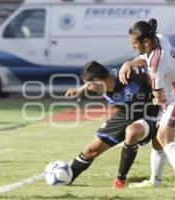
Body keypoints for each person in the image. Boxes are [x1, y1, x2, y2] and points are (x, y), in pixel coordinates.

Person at [119, 19, 175, 190]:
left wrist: (153, 102)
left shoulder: (158, 62)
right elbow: (143, 58)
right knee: (156, 140)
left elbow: (158, 94)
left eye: (134, 43)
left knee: (164, 136)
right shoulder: (158, 38)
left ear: (145, 41)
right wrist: (129, 63)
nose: (132, 46)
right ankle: (155, 181)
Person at [65, 61, 161, 189]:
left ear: (98, 81)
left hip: (150, 115)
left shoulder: (130, 76)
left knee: (131, 132)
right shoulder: (103, 81)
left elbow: (154, 73)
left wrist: (159, 96)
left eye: (88, 85)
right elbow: (91, 82)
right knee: (91, 150)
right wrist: (79, 89)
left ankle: (120, 180)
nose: (88, 88)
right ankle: (66, 178)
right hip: (126, 114)